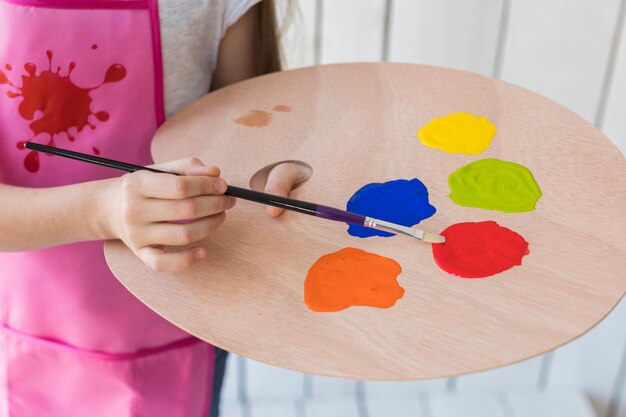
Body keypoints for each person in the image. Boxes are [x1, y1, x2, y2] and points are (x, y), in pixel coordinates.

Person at [0, 0, 305, 415]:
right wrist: (100, 210)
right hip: (21, 321)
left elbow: (252, 137)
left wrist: (275, 166)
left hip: (184, 320)